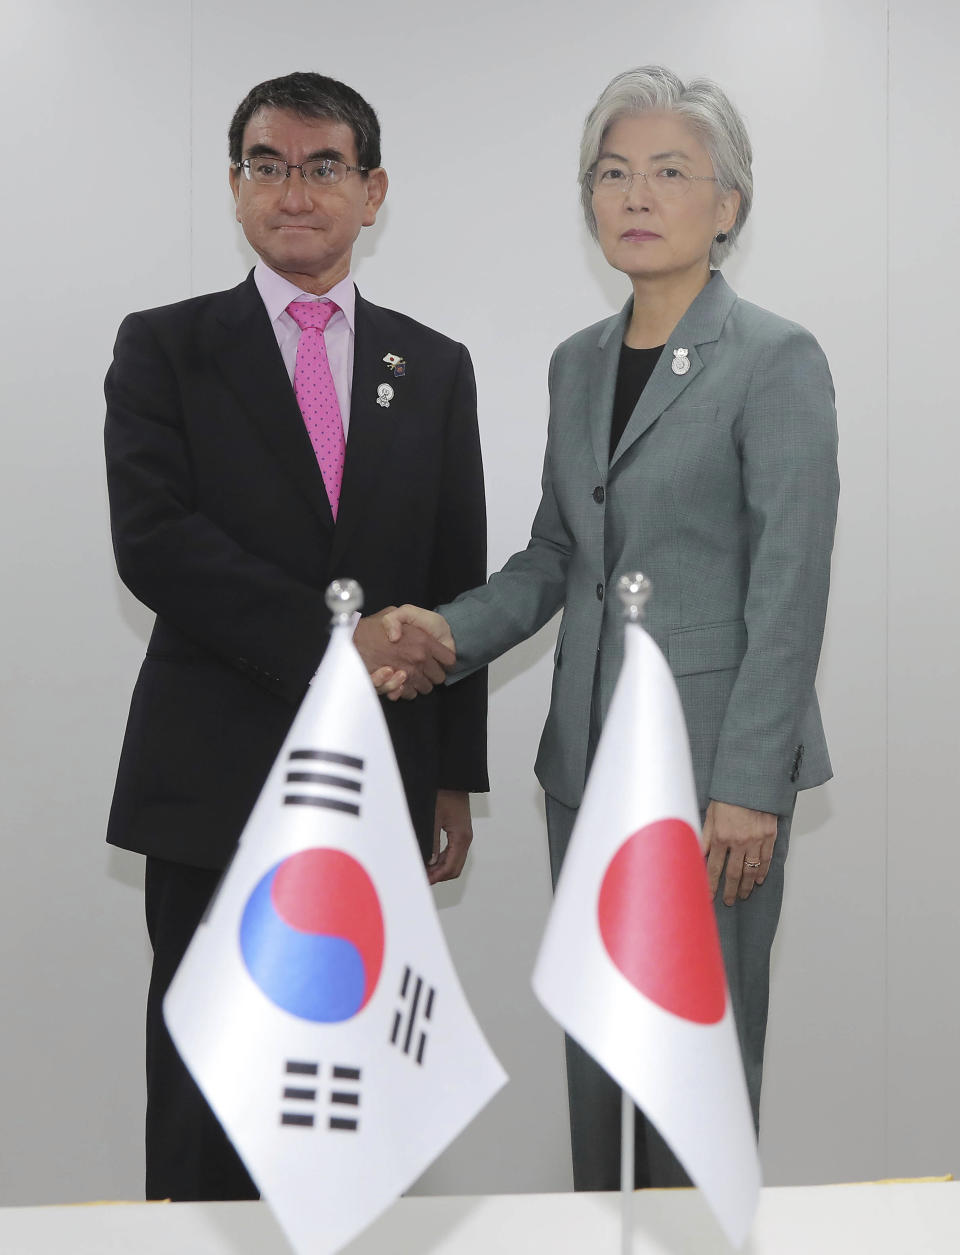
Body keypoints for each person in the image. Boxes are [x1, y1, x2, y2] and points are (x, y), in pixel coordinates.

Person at [381, 65, 839, 1190]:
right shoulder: (577, 363)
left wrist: (749, 782)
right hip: (587, 770)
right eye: (613, 173)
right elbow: (553, 558)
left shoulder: (776, 360)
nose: (636, 194)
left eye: (670, 172)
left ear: (729, 203)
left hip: (708, 782)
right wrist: (440, 632)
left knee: (693, 1076)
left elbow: (791, 582)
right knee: (600, 1062)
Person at [104, 71, 488, 1202]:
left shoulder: (435, 366)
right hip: (212, 773)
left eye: (324, 166)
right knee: (206, 1088)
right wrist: (343, 643)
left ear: (372, 193)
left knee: (350, 1100)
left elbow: (452, 573)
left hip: (379, 780)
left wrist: (453, 774)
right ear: (235, 189)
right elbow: (155, 544)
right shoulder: (165, 347)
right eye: (267, 164)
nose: (295, 189)